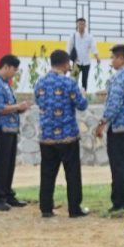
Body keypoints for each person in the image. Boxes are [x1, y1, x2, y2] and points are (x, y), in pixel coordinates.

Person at [34, 49, 88, 217]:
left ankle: (46, 208)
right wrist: (84, 95)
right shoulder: (69, 83)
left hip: (47, 135)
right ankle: (74, 208)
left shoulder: (40, 82)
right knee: (72, 173)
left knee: (47, 173)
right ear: (66, 63)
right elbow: (81, 105)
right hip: (67, 135)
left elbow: (38, 101)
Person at [0, 54, 31, 211]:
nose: (14, 73)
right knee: (0, 163)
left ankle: (7, 194)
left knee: (8, 164)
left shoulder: (4, 83)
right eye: (14, 70)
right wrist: (18, 107)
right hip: (1, 129)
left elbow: (8, 106)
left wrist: (19, 109)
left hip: (10, 128)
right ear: (5, 67)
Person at [93, 43, 124, 212]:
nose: (111, 61)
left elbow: (114, 103)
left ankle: (119, 202)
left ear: (121, 58)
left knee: (118, 166)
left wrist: (102, 123)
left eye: (112, 57)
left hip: (119, 128)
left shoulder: (118, 78)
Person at [70, 17, 99, 90]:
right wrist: (68, 61)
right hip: (76, 63)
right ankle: (73, 96)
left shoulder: (89, 37)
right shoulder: (73, 36)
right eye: (79, 24)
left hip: (86, 63)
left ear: (85, 25)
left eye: (83, 24)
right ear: (77, 25)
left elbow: (93, 48)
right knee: (74, 80)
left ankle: (83, 97)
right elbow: (69, 48)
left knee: (84, 81)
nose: (81, 26)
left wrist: (97, 58)